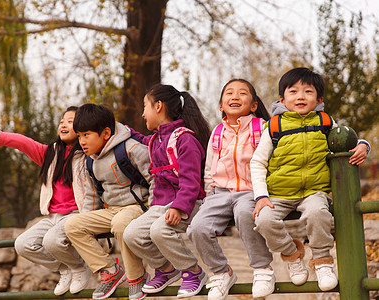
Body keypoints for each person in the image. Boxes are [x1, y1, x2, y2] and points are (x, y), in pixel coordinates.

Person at [250, 67, 370, 295]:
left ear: (319, 99)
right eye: (293, 92)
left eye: (308, 91)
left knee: (317, 213)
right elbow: (258, 163)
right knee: (263, 220)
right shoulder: (275, 126)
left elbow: (348, 138)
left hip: (314, 191)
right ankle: (292, 255)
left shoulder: (325, 122)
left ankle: (323, 261)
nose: (301, 96)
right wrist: (261, 196)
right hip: (280, 193)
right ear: (282, 99)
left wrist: (364, 144)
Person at [0, 106, 91, 296]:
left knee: (52, 240)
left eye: (70, 121)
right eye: (62, 121)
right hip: (52, 217)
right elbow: (22, 142)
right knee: (22, 244)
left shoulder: (88, 154)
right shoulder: (50, 153)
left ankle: (79, 268)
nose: (64, 124)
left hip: (74, 215)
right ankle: (65, 268)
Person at [186, 79, 275, 299]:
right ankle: (220, 272)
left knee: (245, 215)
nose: (235, 97)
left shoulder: (261, 127)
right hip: (220, 192)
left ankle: (263, 268)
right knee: (197, 227)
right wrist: (209, 195)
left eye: (242, 93)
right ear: (221, 105)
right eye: (229, 93)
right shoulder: (217, 132)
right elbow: (209, 166)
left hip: (249, 190)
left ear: (253, 105)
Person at [123, 84, 211, 298]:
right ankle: (166, 269)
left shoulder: (185, 140)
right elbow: (142, 139)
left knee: (158, 230)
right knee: (131, 234)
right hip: (160, 206)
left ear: (159, 106)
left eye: (145, 106)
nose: (143, 113)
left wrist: (180, 208)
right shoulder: (156, 140)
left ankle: (193, 272)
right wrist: (123, 130)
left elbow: (190, 181)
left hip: (189, 203)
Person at [64, 103, 153, 300]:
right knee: (72, 225)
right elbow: (92, 195)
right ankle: (110, 271)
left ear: (105, 133)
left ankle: (137, 277)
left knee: (121, 223)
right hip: (112, 211)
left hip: (138, 207)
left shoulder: (131, 149)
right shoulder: (90, 160)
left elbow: (155, 179)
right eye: (79, 136)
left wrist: (154, 210)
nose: (81, 141)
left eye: (86, 135)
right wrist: (89, 226)